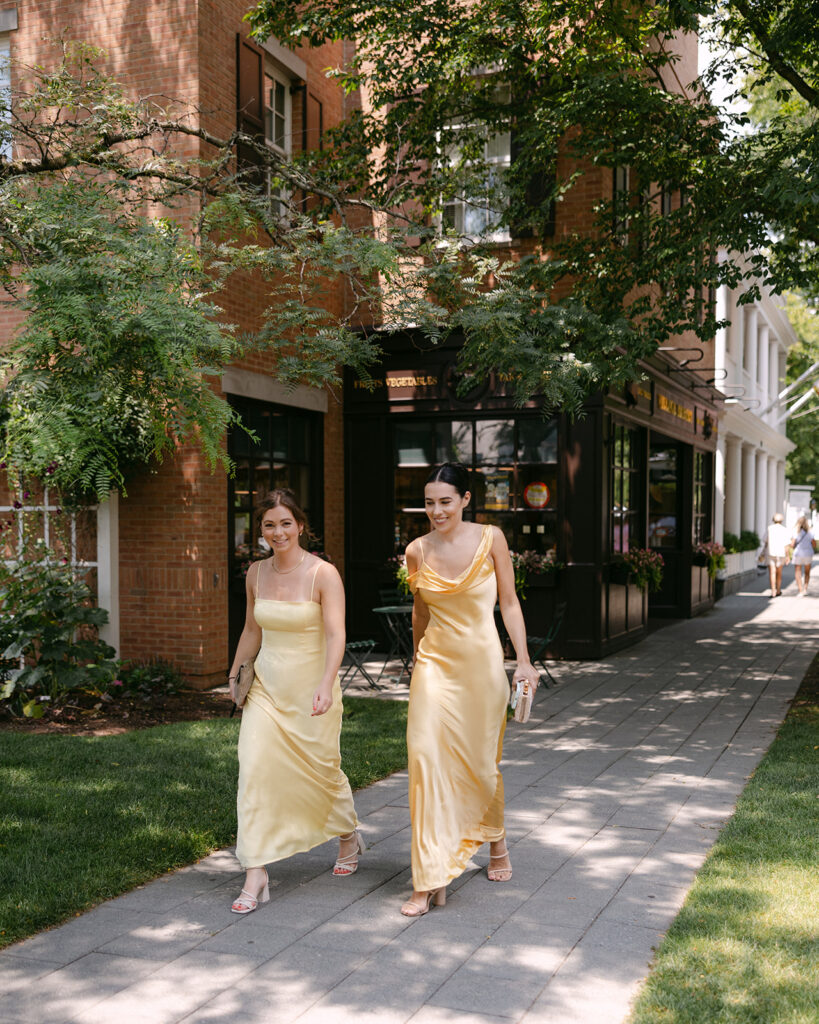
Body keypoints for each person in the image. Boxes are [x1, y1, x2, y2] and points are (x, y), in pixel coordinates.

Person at [400, 462, 540, 917]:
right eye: (429, 502)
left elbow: (509, 602)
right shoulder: (416, 550)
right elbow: (421, 612)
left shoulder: (491, 539)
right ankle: (427, 877)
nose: (436, 511)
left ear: (465, 499)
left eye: (445, 501)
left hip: (481, 667)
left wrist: (523, 660)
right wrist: (415, 658)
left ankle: (495, 839)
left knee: (481, 765)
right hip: (433, 667)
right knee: (424, 760)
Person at [227, 489, 361, 914]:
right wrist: (234, 674)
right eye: (269, 524)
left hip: (311, 689)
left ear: (300, 525)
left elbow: (337, 634)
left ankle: (347, 834)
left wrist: (327, 682)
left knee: (323, 772)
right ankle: (256, 872)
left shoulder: (323, 574)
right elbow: (252, 629)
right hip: (267, 688)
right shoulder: (256, 573)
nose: (278, 532)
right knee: (253, 770)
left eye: (285, 523)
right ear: (260, 530)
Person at [761, 512, 789, 597]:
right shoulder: (784, 529)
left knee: (772, 572)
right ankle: (778, 590)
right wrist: (788, 556)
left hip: (770, 552)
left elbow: (765, 541)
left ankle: (773, 591)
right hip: (781, 553)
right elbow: (786, 545)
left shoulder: (770, 528)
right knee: (779, 572)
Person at [791, 515, 815, 596]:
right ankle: (805, 588)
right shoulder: (810, 532)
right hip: (808, 553)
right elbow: (814, 544)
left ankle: (800, 590)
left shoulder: (796, 532)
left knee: (798, 572)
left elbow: (792, 544)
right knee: (807, 572)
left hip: (798, 554)